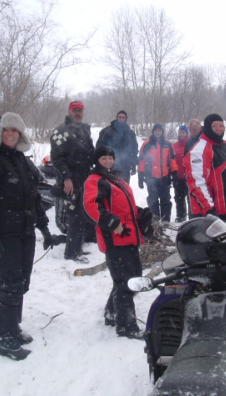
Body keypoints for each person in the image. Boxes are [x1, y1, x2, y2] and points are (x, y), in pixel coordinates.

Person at [0, 112, 56, 360]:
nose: (10, 134)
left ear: (20, 134)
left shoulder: (23, 162)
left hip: (25, 233)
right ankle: (5, 340)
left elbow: (34, 199)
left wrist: (45, 228)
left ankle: (10, 328)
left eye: (15, 130)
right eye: (6, 130)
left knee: (22, 284)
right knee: (10, 286)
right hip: (4, 235)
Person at [83, 145, 151, 339]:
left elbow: (124, 207)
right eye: (103, 158)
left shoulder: (114, 180)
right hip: (115, 238)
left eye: (110, 158)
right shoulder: (95, 181)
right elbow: (90, 207)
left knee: (131, 276)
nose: (108, 161)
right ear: (97, 161)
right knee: (126, 281)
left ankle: (112, 312)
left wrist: (141, 214)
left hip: (129, 236)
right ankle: (126, 326)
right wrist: (112, 223)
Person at [184, 113, 226, 224]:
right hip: (210, 212)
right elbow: (197, 183)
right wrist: (209, 209)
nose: (219, 129)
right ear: (207, 128)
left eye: (221, 126)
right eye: (215, 126)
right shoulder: (200, 150)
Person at [50, 101, 94, 263]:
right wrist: (66, 178)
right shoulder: (60, 131)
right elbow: (57, 158)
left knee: (83, 213)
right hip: (70, 180)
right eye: (75, 110)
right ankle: (71, 253)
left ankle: (78, 246)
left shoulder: (83, 130)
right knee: (75, 215)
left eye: (80, 111)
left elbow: (90, 154)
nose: (78, 113)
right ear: (69, 111)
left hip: (84, 178)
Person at [138, 124, 178, 222]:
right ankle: (155, 221)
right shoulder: (147, 144)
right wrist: (140, 175)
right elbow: (142, 160)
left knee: (165, 200)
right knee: (153, 199)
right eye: (156, 130)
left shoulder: (168, 144)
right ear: (153, 131)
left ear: (162, 131)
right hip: (151, 177)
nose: (157, 132)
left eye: (159, 130)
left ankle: (165, 221)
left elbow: (172, 159)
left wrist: (175, 172)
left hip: (164, 176)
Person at [95, 110, 138, 184]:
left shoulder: (130, 133)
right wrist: (99, 164)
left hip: (125, 166)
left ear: (126, 119)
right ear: (117, 118)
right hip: (110, 165)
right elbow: (99, 148)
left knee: (124, 188)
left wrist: (133, 164)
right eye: (120, 117)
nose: (121, 119)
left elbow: (134, 149)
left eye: (123, 118)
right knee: (110, 189)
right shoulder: (107, 131)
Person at [173, 125, 190, 222]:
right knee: (179, 197)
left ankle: (192, 215)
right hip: (178, 176)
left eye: (183, 132)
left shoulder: (191, 144)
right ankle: (181, 215)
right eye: (180, 132)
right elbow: (172, 160)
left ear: (186, 133)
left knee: (190, 198)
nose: (181, 134)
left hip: (189, 176)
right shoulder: (174, 146)